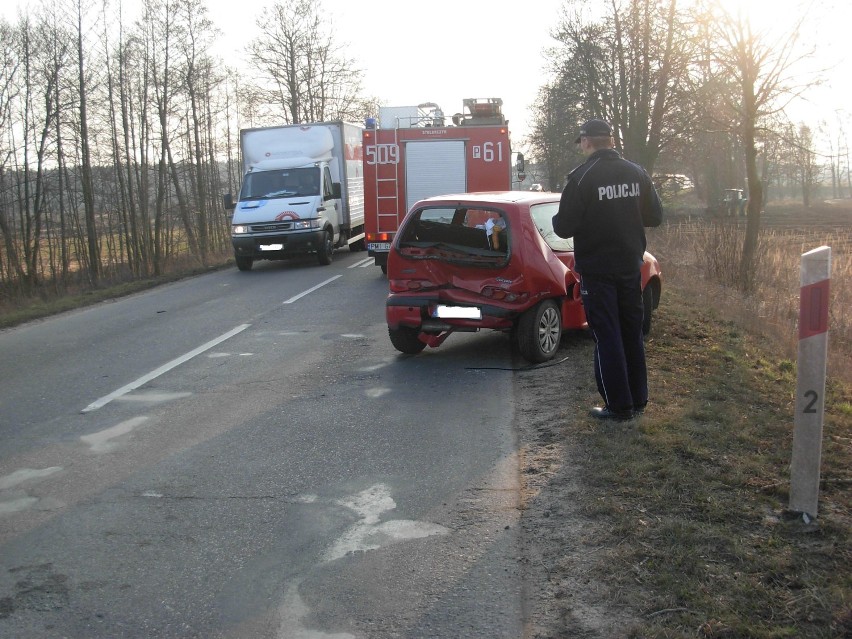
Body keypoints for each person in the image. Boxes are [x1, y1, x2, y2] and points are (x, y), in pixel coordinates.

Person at [552, 118, 663, 421]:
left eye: (582, 142)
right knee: (631, 331)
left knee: (607, 335)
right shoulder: (637, 173)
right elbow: (655, 216)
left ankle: (618, 406)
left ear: (587, 142)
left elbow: (563, 227)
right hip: (630, 266)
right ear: (612, 141)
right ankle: (639, 399)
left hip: (597, 271)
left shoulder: (581, 178)